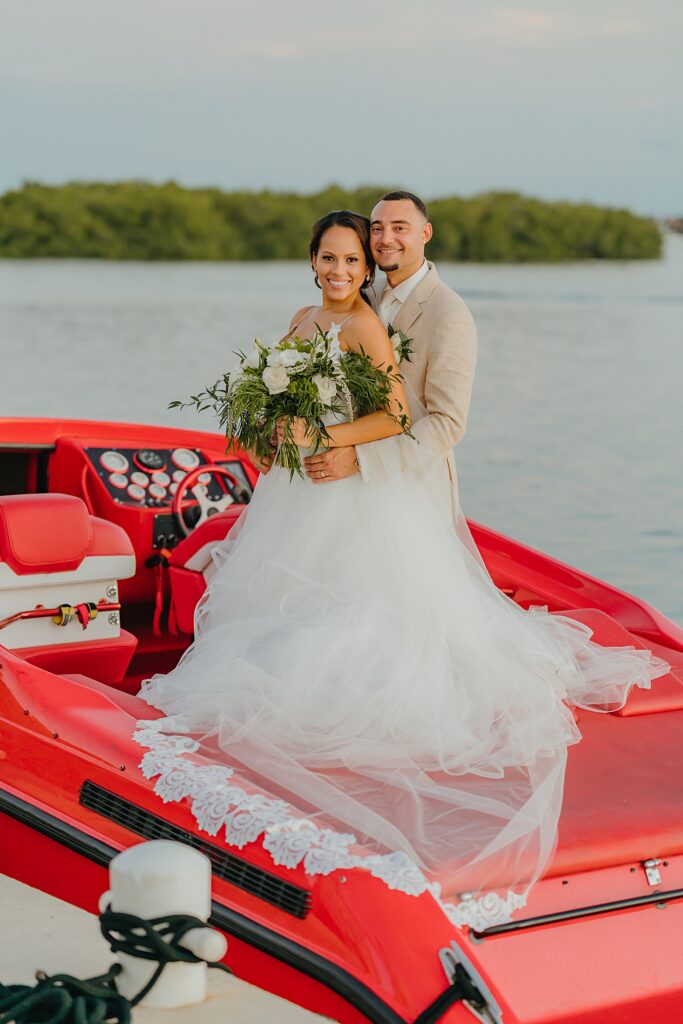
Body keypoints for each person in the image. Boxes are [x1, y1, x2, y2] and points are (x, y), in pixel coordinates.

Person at [135, 209, 668, 931]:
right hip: (306, 488)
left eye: (372, 245)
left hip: (382, 484)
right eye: (341, 252)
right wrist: (263, 425)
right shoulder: (341, 307)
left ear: (421, 235)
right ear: (316, 259)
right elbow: (285, 392)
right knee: (290, 586)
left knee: (373, 605)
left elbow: (425, 419)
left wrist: (334, 442)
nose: (353, 262)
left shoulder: (435, 314)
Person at [302, 191, 477, 530]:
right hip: (338, 483)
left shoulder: (449, 313)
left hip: (409, 485)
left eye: (400, 228)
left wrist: (361, 460)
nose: (385, 239)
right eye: (378, 228)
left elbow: (448, 423)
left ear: (425, 234)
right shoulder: (359, 287)